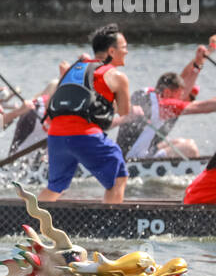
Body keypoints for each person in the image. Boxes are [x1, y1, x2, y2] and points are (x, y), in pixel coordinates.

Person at [40, 24, 141, 204]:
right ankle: (111, 227)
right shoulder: (117, 76)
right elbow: (124, 111)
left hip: (55, 136)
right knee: (118, 177)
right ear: (111, 51)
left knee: (56, 186)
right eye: (124, 48)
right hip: (85, 136)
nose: (126, 52)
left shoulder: (76, 68)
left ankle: (27, 222)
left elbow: (51, 103)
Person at [116, 71, 216, 159]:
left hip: (124, 151)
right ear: (167, 93)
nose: (181, 101)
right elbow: (203, 107)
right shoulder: (165, 105)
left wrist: (198, 63)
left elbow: (184, 77)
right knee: (190, 148)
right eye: (178, 97)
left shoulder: (145, 91)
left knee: (179, 142)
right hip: (134, 159)